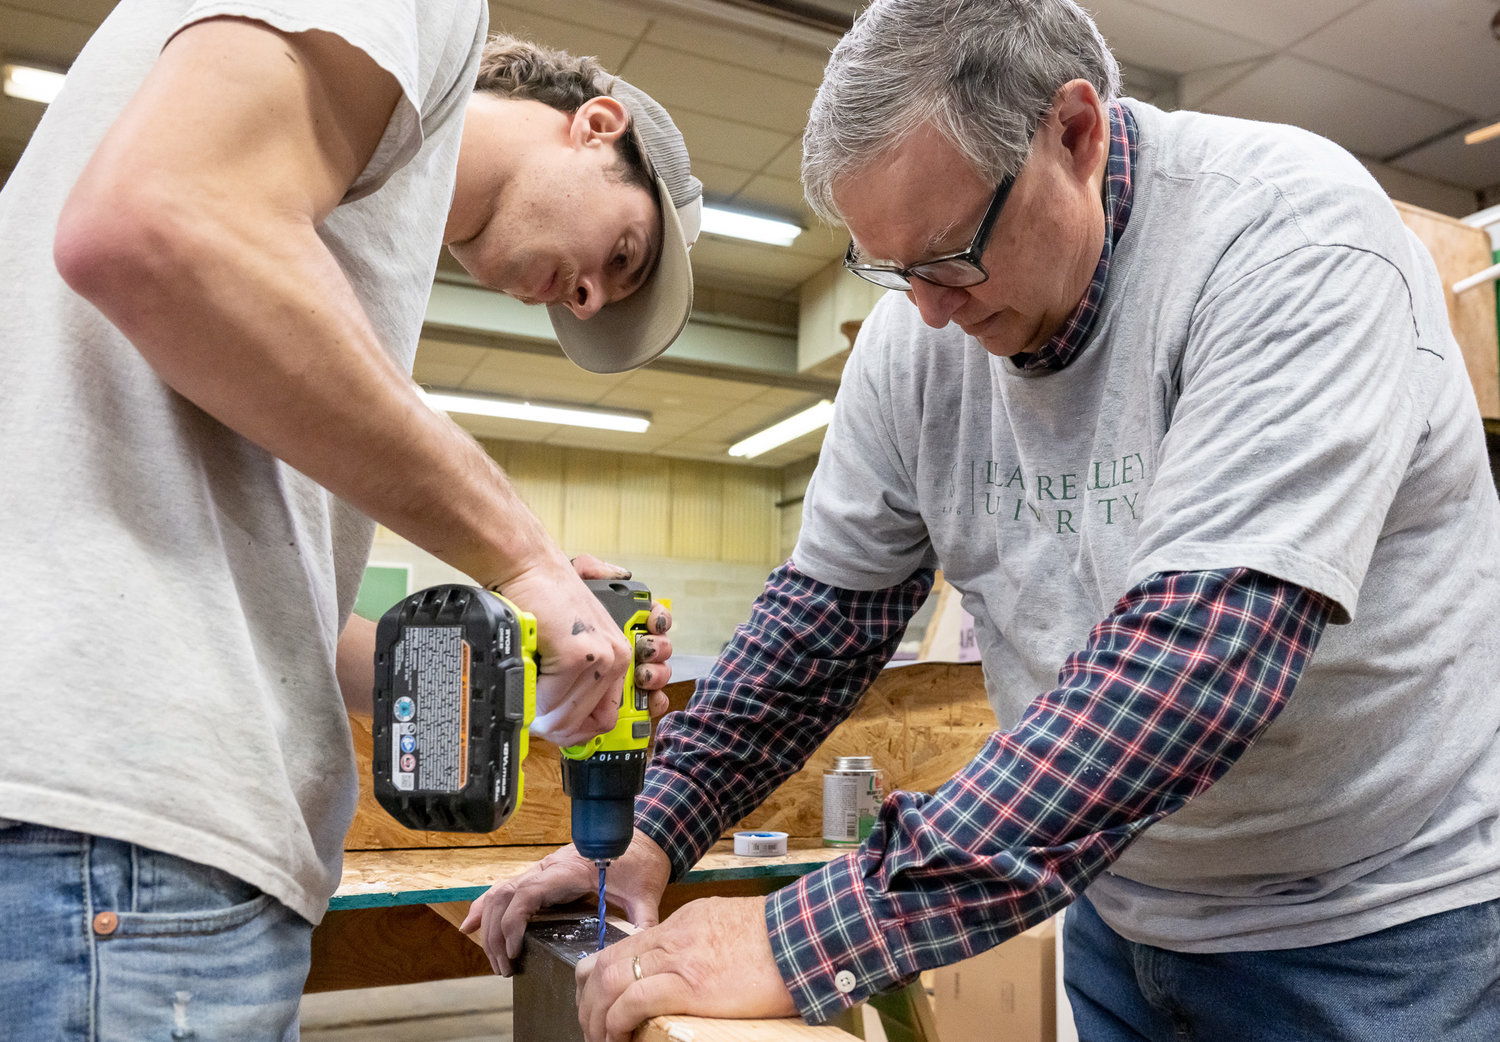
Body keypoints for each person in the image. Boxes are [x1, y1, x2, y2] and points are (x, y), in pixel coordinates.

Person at [466, 1, 1500, 1040]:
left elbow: (1196, 662)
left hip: (1378, 926)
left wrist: (805, 938)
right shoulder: (919, 340)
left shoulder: (1292, 242)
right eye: (892, 268)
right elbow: (814, 634)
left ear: (1076, 133)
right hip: (1125, 913)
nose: (927, 312)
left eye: (952, 254)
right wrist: (652, 828)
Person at [0, 2, 700, 1037]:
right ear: (596, 126)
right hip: (127, 841)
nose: (587, 299)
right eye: (625, 253)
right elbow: (152, 222)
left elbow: (260, 615)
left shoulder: (344, 202)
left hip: (87, 822)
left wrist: (501, 664)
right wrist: (527, 559)